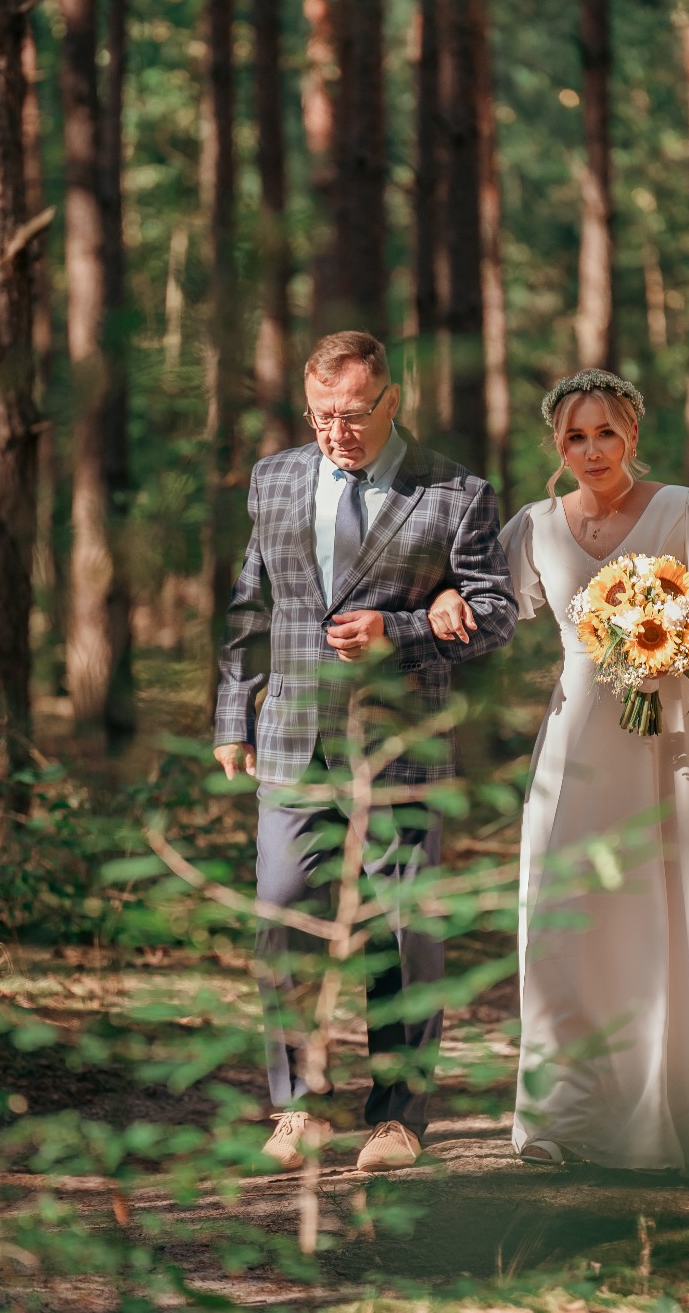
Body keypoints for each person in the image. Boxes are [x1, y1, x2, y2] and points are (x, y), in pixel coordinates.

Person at [427, 369, 689, 1176]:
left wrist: (669, 652)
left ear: (632, 435)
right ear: (558, 445)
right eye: (575, 437)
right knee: (562, 910)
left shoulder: (687, 509)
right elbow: (483, 601)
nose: (591, 450)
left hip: (663, 734)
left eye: (605, 433)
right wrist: (442, 598)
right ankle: (563, 1120)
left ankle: (672, 1119)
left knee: (661, 910)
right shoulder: (536, 524)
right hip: (576, 732)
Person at [213, 330, 517, 1173]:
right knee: (281, 911)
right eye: (319, 415)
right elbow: (251, 603)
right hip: (293, 741)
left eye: (351, 415)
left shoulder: (457, 492)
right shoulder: (274, 478)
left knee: (403, 926)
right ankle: (298, 1107)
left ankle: (397, 1120)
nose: (334, 431)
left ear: (392, 402)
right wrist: (232, 714)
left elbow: (496, 614)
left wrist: (403, 627)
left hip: (402, 744)